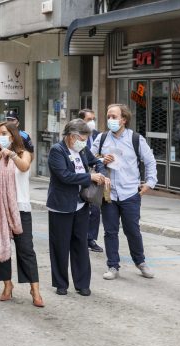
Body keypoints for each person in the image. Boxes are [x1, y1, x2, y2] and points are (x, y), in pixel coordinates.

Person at [92, 104, 158, 280]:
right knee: (110, 231)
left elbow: (150, 162)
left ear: (124, 119)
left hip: (130, 193)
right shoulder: (102, 138)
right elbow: (89, 159)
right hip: (108, 193)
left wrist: (150, 183)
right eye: (108, 116)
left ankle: (140, 262)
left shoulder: (136, 139)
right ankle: (113, 266)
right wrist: (101, 160)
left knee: (132, 230)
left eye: (114, 117)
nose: (110, 120)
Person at [47, 119, 109, 297]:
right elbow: (65, 176)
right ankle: (60, 283)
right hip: (61, 206)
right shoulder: (57, 151)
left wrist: (101, 174)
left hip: (81, 205)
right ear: (71, 137)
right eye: (82, 138)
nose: (84, 142)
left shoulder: (81, 149)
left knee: (80, 244)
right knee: (60, 245)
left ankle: (82, 284)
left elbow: (96, 162)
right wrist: (90, 178)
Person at [0, 122, 44, 307]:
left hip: (19, 207)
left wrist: (9, 154)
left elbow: (24, 167)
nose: (1, 136)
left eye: (5, 133)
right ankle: (7, 285)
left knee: (26, 249)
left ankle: (35, 289)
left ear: (13, 136)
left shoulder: (23, 153)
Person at [78, 109, 103, 253]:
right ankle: (78, 238)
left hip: (92, 177)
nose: (92, 122)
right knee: (80, 209)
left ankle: (90, 239)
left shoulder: (98, 135)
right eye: (89, 119)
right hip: (78, 177)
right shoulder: (74, 136)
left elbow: (97, 155)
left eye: (93, 118)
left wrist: (101, 161)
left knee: (95, 208)